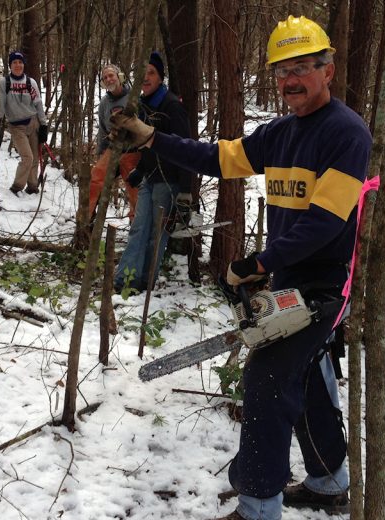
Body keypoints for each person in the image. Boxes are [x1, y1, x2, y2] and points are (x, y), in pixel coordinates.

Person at [111, 16, 371, 520]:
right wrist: (151, 139)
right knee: (310, 377)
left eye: (301, 68)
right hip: (291, 279)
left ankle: (257, 507)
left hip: (325, 285)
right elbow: (221, 157)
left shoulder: (346, 133)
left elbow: (323, 223)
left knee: (268, 381)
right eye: (282, 72)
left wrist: (257, 262)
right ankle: (328, 482)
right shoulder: (280, 133)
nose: (291, 80)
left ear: (327, 70)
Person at [112, 51, 192, 294]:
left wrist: (186, 191)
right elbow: (148, 144)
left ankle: (145, 283)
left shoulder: (171, 106)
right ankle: (125, 282)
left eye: (151, 73)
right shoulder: (143, 105)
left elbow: (186, 149)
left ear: (160, 77)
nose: (146, 78)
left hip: (168, 182)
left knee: (155, 236)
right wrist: (140, 169)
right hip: (150, 177)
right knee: (138, 228)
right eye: (142, 74)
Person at [89, 64, 142, 220]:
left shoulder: (134, 97)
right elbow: (103, 130)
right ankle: (86, 220)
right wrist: (101, 152)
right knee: (95, 178)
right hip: (112, 149)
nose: (108, 79)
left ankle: (136, 224)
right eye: (105, 77)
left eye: (111, 75)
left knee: (134, 191)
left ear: (119, 77)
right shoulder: (104, 103)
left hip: (132, 151)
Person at [0, 51, 47, 195]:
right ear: (10, 65)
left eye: (20, 62)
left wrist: (43, 124)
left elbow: (38, 104)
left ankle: (32, 186)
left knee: (35, 158)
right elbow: (1, 104)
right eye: (14, 62)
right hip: (16, 126)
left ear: (23, 64)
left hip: (33, 123)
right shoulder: (4, 82)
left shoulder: (30, 82)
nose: (17, 65)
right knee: (27, 157)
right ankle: (17, 187)